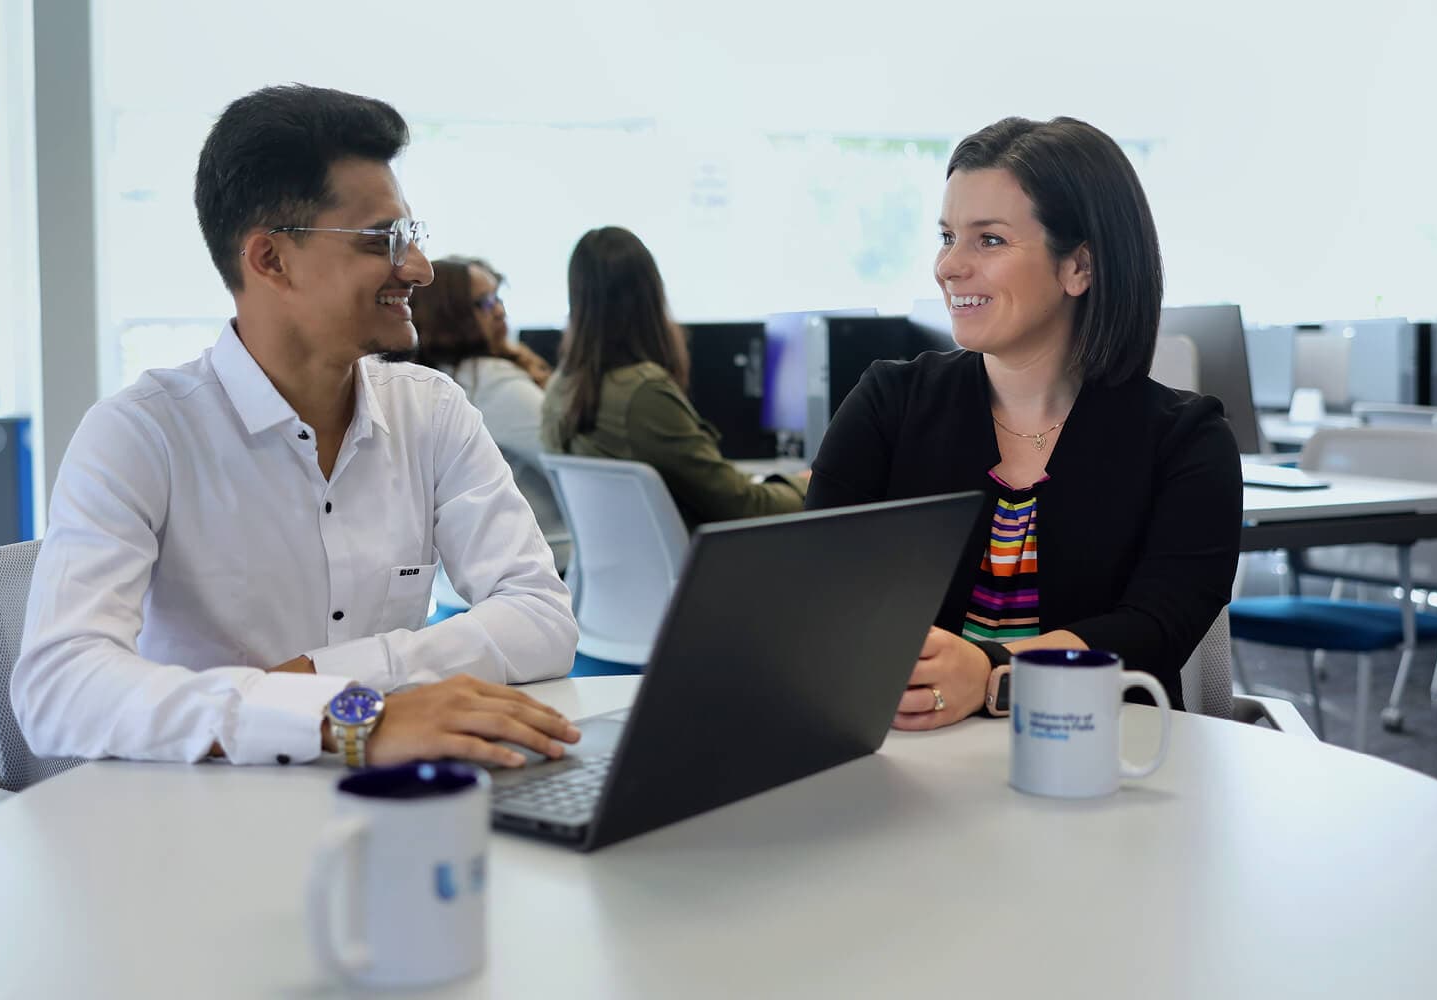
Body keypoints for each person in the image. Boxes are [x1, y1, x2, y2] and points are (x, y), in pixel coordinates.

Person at [11, 85, 581, 770]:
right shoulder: (141, 436)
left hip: (394, 803)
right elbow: (58, 688)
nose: (420, 268)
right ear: (270, 260)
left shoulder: (431, 410)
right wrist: (347, 721)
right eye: (382, 241)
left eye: (412, 238)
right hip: (201, 820)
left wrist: (322, 680)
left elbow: (543, 618)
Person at [804, 117, 1242, 730]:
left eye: (988, 241)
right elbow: (815, 587)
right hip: (908, 763)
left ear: (1080, 267)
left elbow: (1154, 628)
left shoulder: (1186, 441)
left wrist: (992, 675)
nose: (949, 266)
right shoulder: (890, 404)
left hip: (1102, 765)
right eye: (947, 235)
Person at [540, 226, 806, 527]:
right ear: (650, 296)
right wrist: (813, 484)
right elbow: (744, 505)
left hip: (613, 573)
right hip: (703, 567)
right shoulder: (642, 393)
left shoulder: (560, 389)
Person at [411, 256, 566, 567]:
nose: (499, 310)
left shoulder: (429, 378)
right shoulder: (489, 381)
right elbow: (574, 456)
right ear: (450, 315)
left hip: (470, 570)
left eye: (498, 298)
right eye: (484, 302)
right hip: (544, 558)